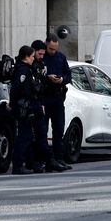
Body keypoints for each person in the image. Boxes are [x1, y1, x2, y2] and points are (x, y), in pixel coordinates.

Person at [10, 45, 64, 175]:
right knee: (24, 136)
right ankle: (18, 165)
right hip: (26, 107)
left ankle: (48, 161)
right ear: (26, 57)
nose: (33, 59)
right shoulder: (22, 70)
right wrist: (13, 104)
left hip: (34, 105)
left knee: (39, 134)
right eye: (32, 56)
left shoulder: (30, 68)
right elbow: (17, 90)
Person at [41, 33, 73, 171]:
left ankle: (59, 158)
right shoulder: (41, 57)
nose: (53, 51)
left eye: (55, 49)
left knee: (59, 129)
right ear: (46, 44)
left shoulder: (61, 57)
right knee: (42, 129)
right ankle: (45, 159)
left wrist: (61, 80)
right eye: (50, 49)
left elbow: (68, 75)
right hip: (45, 97)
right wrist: (47, 77)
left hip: (58, 96)